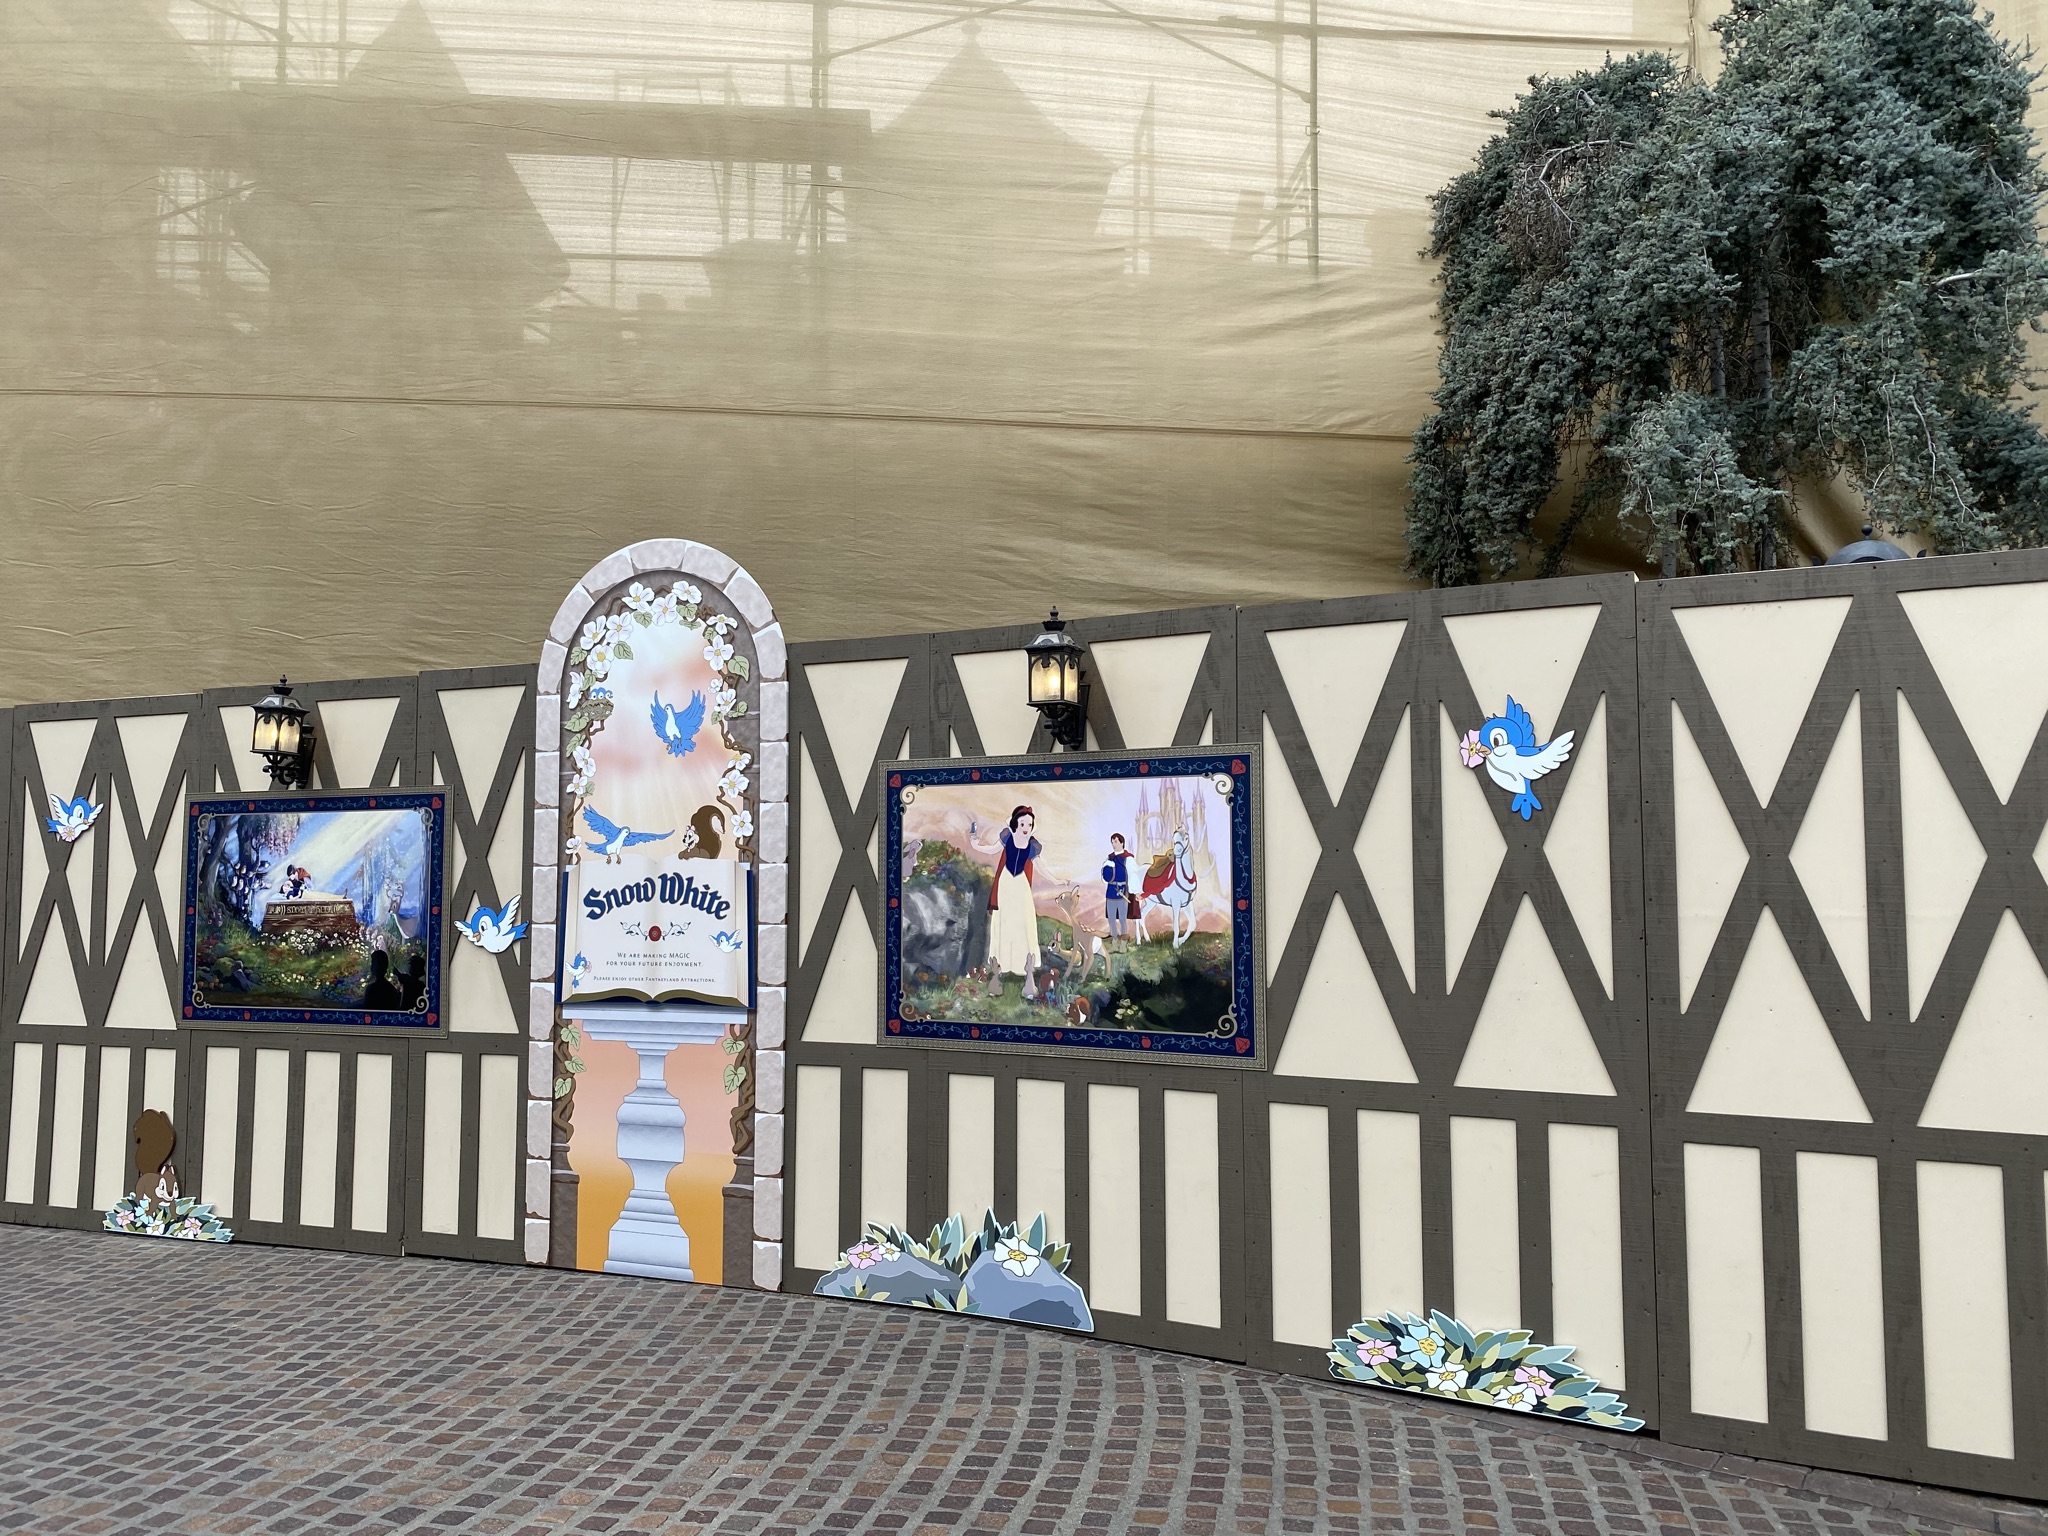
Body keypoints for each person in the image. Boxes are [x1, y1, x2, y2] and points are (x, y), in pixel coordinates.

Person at [969, 806, 1045, 1000]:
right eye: (1022, 823)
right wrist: (975, 843)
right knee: (1004, 924)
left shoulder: (1033, 846)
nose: (1026, 828)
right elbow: (990, 849)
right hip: (1005, 884)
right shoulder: (1007, 838)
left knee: (1023, 924)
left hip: (1021, 886)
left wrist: (1059, 881)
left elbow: (1042, 868)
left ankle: (1028, 975)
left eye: (1029, 824)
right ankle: (997, 974)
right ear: (1015, 824)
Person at [1102, 833, 1134, 949]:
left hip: (1122, 893)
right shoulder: (1109, 858)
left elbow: (1132, 876)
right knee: (1111, 920)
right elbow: (1104, 877)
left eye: (1115, 841)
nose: (1113, 844)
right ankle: (1115, 944)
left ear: (1122, 843)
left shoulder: (1128, 858)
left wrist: (1133, 890)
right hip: (1111, 892)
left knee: (1122, 920)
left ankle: (1123, 945)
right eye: (1112, 842)